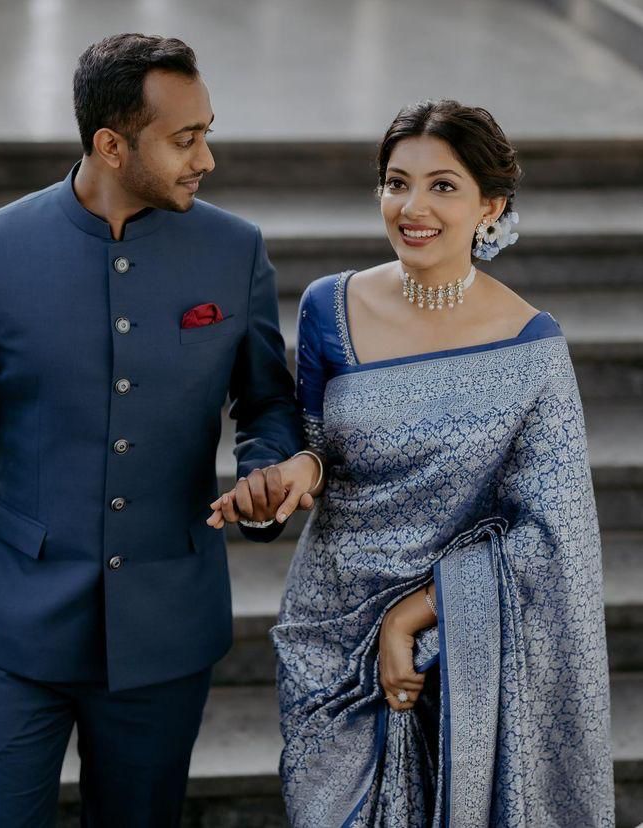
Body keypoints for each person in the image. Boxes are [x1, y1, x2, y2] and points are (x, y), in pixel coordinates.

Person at [0, 33, 320, 827]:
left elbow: (267, 403)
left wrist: (266, 472)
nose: (206, 160)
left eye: (208, 133)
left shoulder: (235, 252)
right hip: (11, 623)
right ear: (111, 144)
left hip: (167, 623)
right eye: (184, 139)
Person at [211, 100, 614, 826]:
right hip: (328, 632)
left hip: (458, 643)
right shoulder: (331, 305)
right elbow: (314, 439)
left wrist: (412, 618)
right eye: (396, 183)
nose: (412, 207)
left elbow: (552, 534)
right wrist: (298, 472)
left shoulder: (531, 348)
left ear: (490, 205)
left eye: (443, 186)